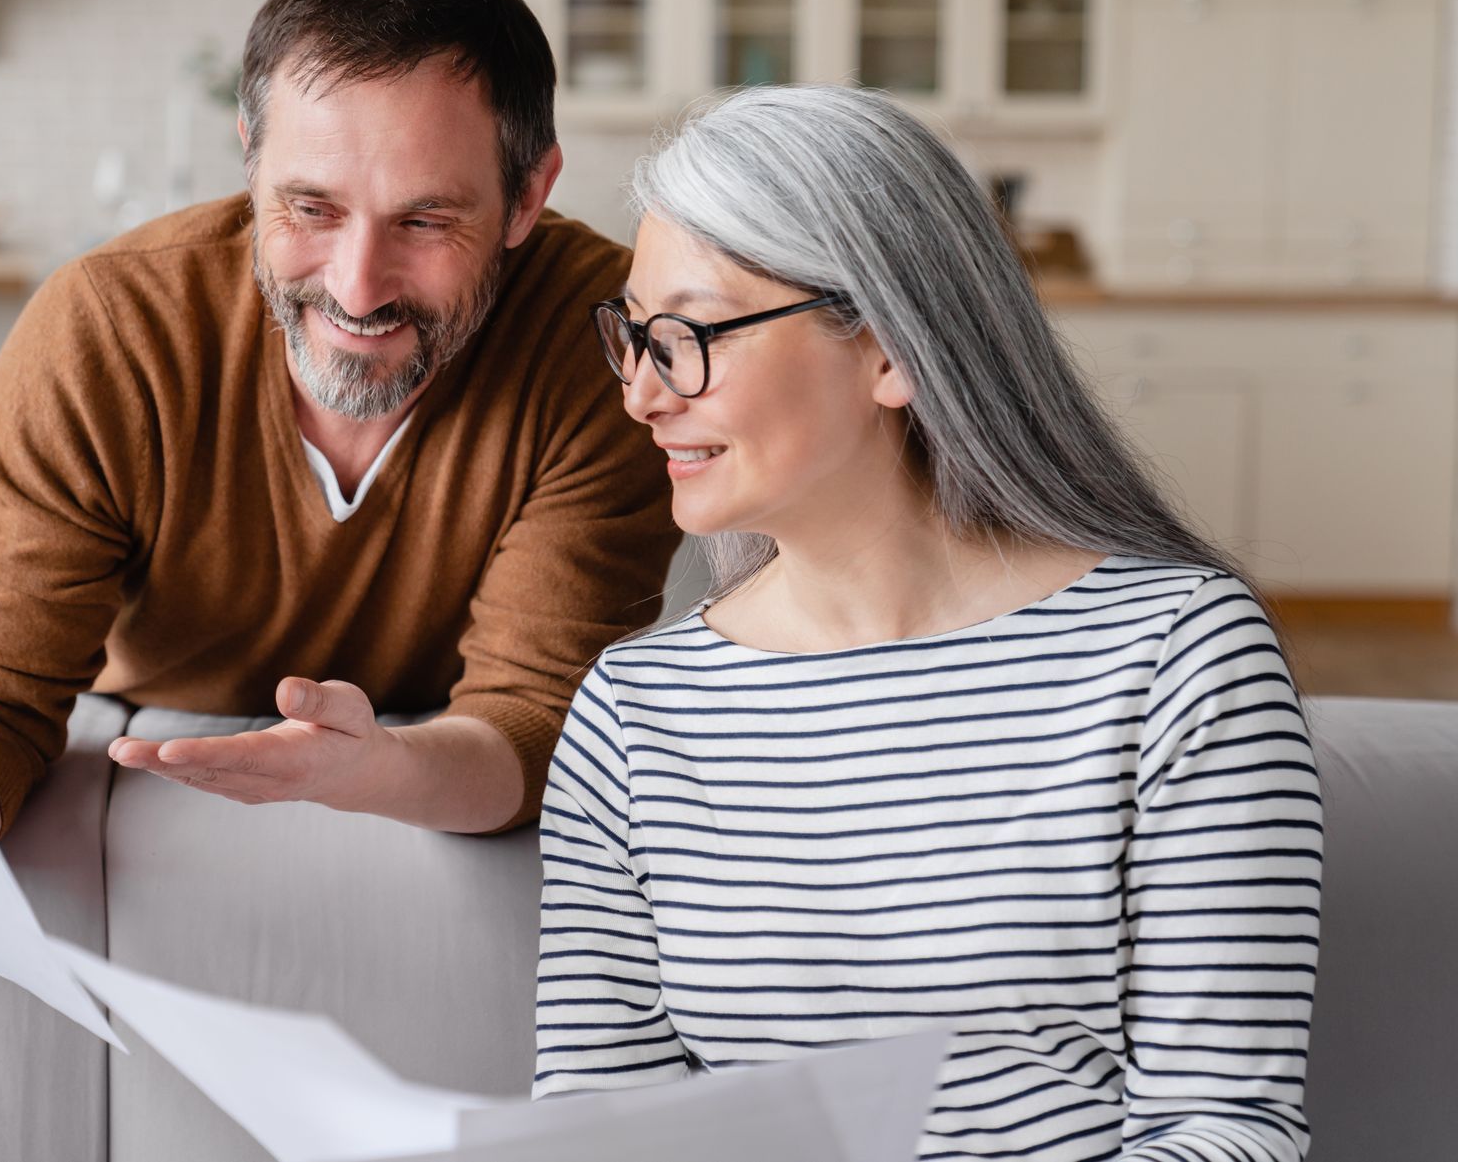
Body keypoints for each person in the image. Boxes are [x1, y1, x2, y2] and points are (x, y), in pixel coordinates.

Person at [0, 0, 679, 958]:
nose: (357, 288)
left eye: (426, 220)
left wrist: (374, 770)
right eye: (310, 208)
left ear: (528, 195)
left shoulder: (601, 346)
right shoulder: (111, 325)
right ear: (250, 155)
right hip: (144, 747)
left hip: (433, 787)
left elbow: (530, 723)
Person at [534, 85, 1321, 1161]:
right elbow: (594, 1127)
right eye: (633, 335)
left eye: (693, 334)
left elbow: (1225, 1132)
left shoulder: (1177, 659)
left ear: (892, 350)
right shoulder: (636, 716)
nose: (643, 393)